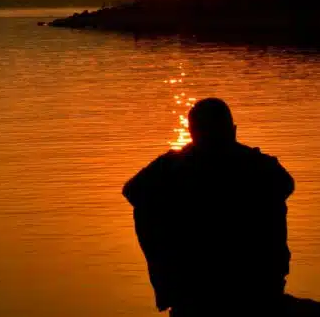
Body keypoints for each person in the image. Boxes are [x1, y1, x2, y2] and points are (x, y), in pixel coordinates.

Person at [123, 98, 295, 317]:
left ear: (193, 134)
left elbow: (133, 191)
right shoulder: (257, 164)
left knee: (147, 206)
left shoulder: (176, 166)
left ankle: (175, 284)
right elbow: (286, 184)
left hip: (211, 281)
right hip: (246, 281)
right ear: (232, 130)